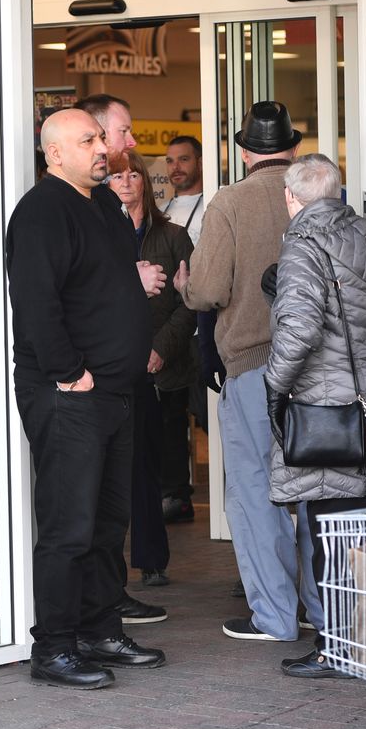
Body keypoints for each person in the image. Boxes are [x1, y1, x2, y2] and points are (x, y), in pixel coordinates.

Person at [6, 109, 165, 689]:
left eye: (102, 137)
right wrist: (71, 373)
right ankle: (53, 648)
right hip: (69, 393)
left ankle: (100, 629)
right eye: (88, 140)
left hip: (114, 394)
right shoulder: (43, 211)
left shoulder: (100, 204)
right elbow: (36, 301)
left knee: (106, 522)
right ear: (53, 154)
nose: (103, 148)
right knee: (68, 526)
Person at [174, 100, 324, 642]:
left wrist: (184, 286)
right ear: (295, 148)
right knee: (316, 490)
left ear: (243, 152)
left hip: (255, 365)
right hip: (321, 370)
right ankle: (325, 612)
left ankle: (275, 617)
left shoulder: (230, 201)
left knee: (258, 495)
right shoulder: (322, 192)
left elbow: (210, 291)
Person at [263, 153, 366, 678]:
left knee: (330, 535)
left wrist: (274, 385)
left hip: (329, 406)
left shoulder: (303, 244)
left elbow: (300, 329)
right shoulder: (363, 237)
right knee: (363, 532)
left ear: (291, 197)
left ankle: (339, 648)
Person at [74, 92, 169, 625]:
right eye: (123, 132)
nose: (131, 144)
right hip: (88, 384)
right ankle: (84, 623)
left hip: (122, 380)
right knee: (86, 511)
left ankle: (111, 601)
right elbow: (58, 295)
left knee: (116, 506)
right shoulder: (60, 209)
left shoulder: (103, 206)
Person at [108, 150, 196, 588]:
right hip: (113, 364)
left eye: (132, 174)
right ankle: (112, 568)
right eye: (115, 175)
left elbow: (191, 303)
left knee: (152, 466)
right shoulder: (102, 235)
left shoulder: (174, 235)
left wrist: (161, 348)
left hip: (162, 367)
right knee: (117, 468)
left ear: (145, 180)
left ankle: (152, 558)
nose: (125, 182)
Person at [161, 134, 206, 522]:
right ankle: (176, 494)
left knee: (208, 415)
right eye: (171, 161)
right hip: (174, 330)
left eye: (184, 159)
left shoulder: (215, 206)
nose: (176, 167)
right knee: (172, 419)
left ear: (201, 162)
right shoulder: (164, 210)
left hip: (205, 326)